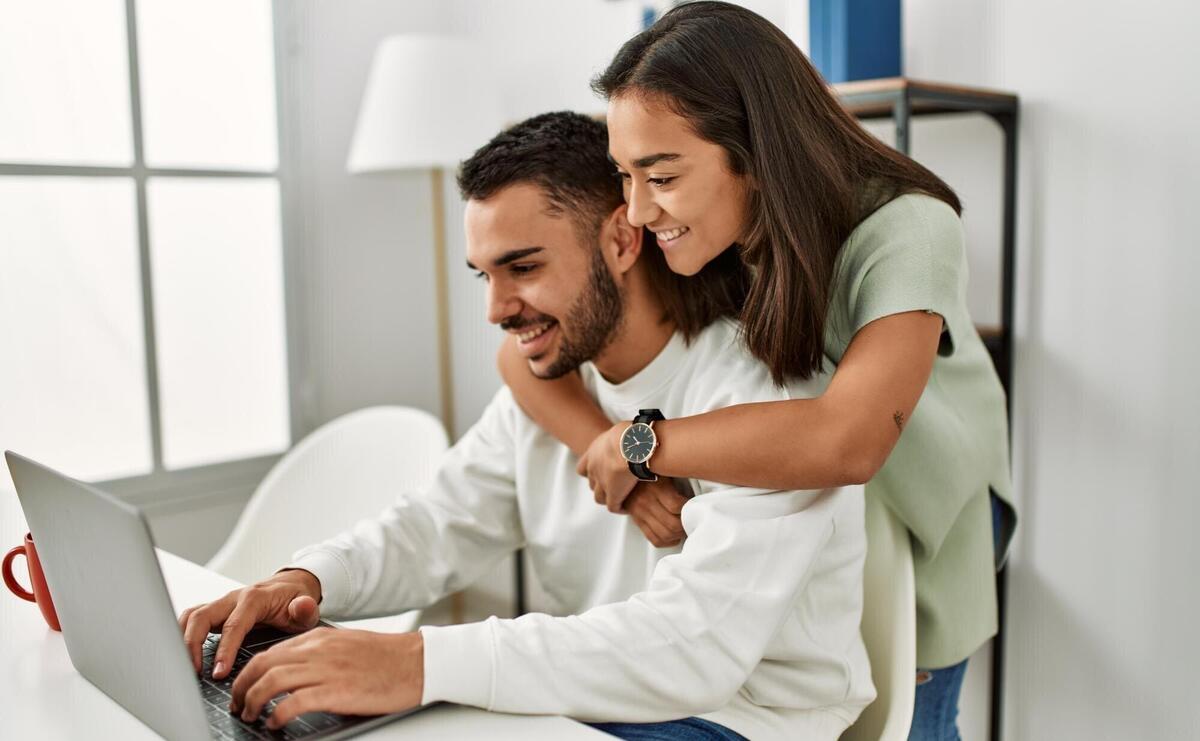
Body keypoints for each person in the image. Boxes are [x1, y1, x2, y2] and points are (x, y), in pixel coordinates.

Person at [178, 112, 874, 741]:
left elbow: (698, 645)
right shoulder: (546, 389)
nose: (496, 309)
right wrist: (306, 580)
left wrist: (419, 661)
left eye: (523, 267)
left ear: (623, 240)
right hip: (595, 699)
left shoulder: (760, 389)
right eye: (483, 274)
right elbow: (434, 525)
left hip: (741, 716)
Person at [496, 4, 1018, 740]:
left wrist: (641, 445)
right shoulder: (690, 219)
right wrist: (612, 449)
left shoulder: (910, 229)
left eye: (660, 174)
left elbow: (850, 440)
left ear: (754, 151)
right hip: (802, 503)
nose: (637, 209)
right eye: (625, 174)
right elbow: (523, 360)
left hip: (926, 503)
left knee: (911, 722)